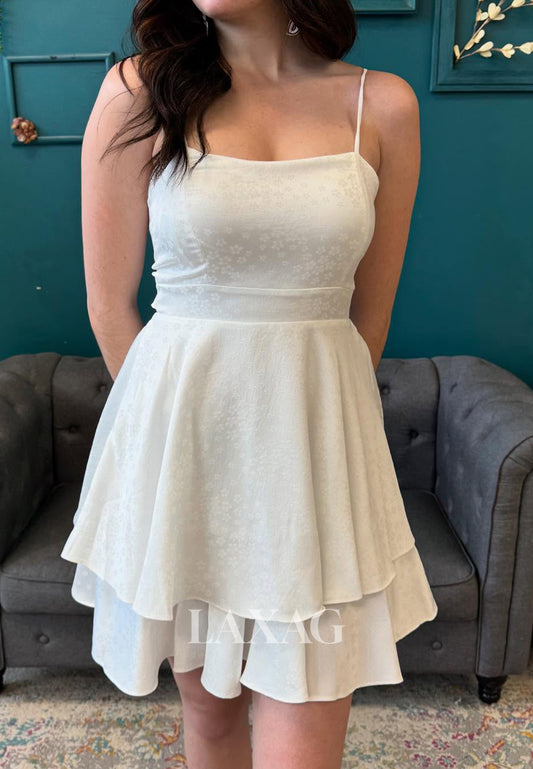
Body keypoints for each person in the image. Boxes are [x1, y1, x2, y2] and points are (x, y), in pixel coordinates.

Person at [61, 1, 438, 767]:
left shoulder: (382, 105)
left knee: (305, 737)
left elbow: (367, 322)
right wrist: (160, 452)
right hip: (185, 463)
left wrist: (313, 447)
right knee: (208, 717)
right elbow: (108, 306)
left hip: (313, 468)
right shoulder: (140, 89)